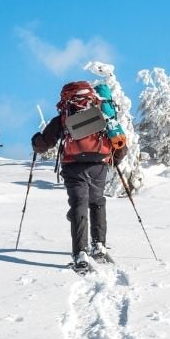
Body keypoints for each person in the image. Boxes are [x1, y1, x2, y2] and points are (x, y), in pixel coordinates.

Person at [31, 81, 128, 270]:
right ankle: (99, 245)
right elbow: (121, 146)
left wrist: (35, 141)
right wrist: (111, 162)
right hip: (99, 165)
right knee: (97, 202)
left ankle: (80, 253)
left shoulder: (64, 116)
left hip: (73, 165)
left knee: (79, 205)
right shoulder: (102, 113)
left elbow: (44, 144)